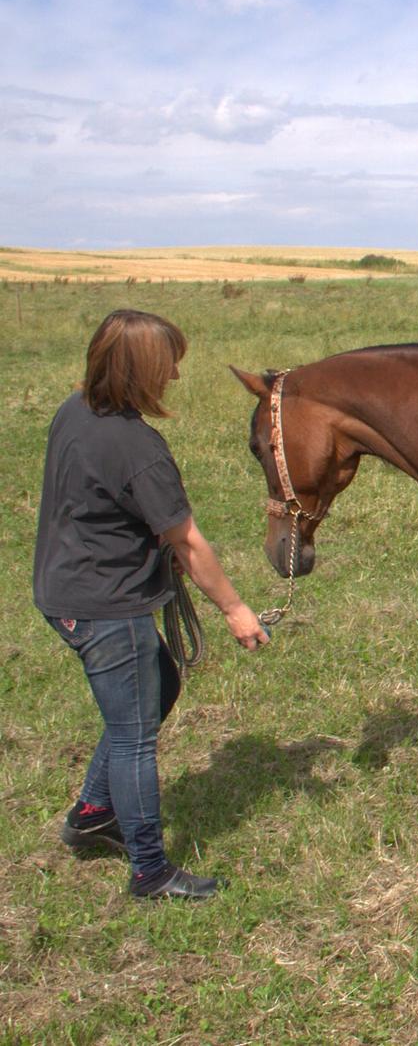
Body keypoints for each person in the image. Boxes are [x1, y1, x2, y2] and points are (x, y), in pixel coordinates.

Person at [33, 309, 269, 900]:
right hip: (105, 605)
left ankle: (92, 813)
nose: (176, 378)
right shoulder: (139, 449)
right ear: (140, 371)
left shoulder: (75, 408)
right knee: (135, 735)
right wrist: (237, 610)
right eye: (169, 367)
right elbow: (187, 542)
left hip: (64, 587)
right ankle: (149, 870)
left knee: (158, 687)